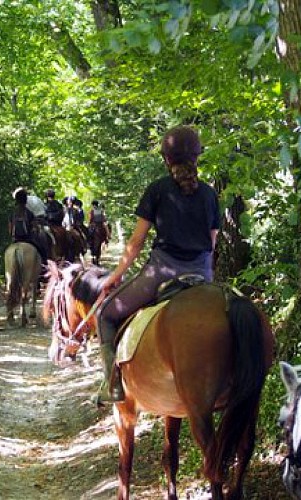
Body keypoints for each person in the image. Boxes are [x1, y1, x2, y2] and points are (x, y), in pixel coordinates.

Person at [95, 126, 220, 403]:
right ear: (197, 158)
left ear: (167, 159)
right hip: (202, 272)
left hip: (161, 271)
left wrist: (115, 275)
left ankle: (113, 385)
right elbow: (211, 244)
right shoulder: (210, 195)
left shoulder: (158, 190)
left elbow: (137, 242)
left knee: (105, 314)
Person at [9, 188, 48, 264]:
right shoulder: (29, 213)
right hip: (28, 239)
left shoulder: (12, 214)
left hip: (16, 239)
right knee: (42, 249)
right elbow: (34, 229)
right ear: (26, 200)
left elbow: (10, 230)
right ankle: (44, 264)